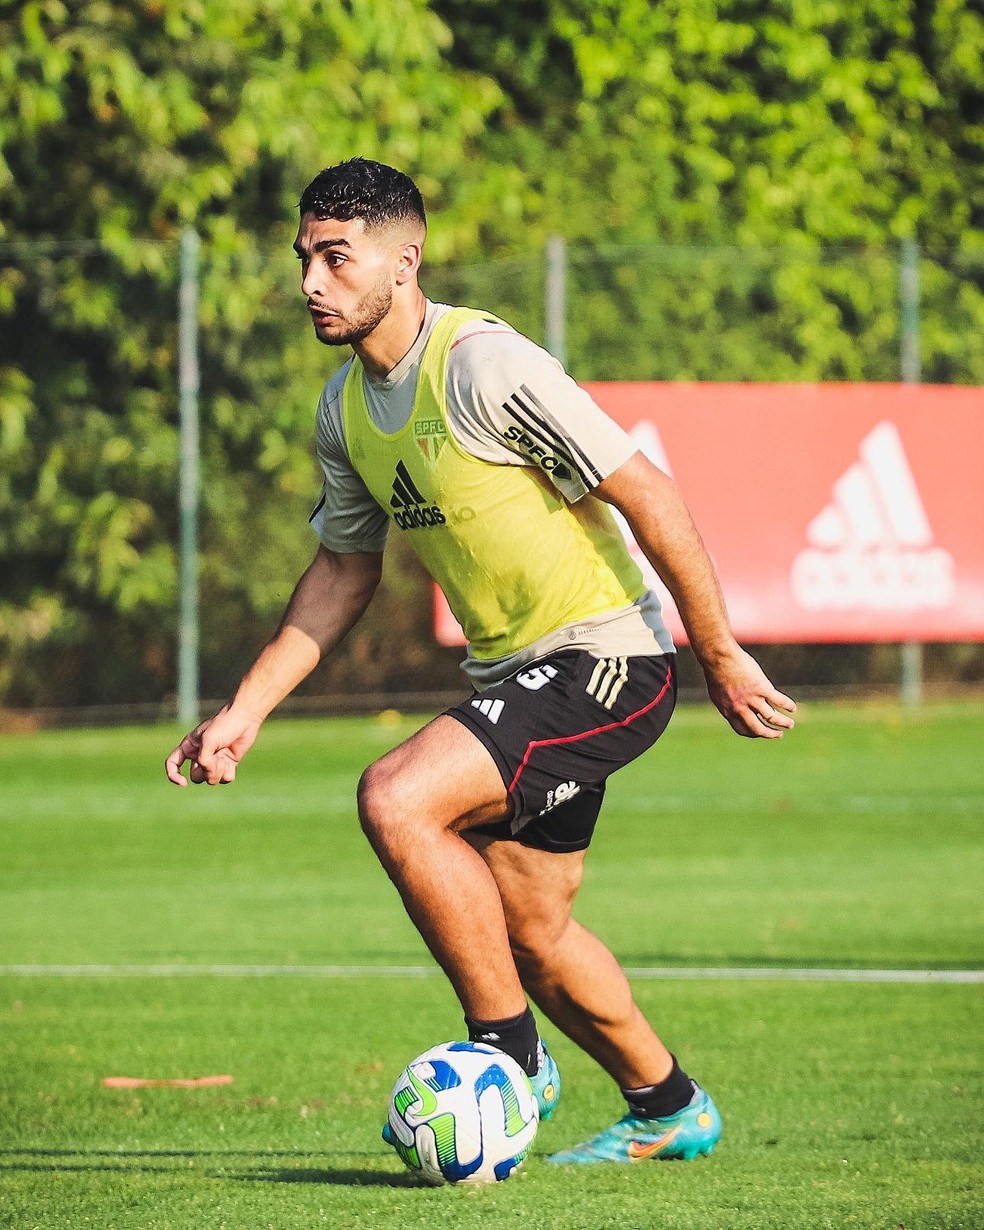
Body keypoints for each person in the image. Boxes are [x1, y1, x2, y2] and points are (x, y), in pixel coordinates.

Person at [165, 157, 796, 1164]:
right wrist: (246, 709)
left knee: (396, 797)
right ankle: (669, 1106)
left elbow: (650, 494)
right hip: (519, 677)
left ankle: (507, 1059)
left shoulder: (484, 365)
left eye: (337, 258)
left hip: (609, 661)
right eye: (304, 259)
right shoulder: (344, 410)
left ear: (402, 262)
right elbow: (341, 571)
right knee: (530, 933)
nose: (311, 282)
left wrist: (717, 653)